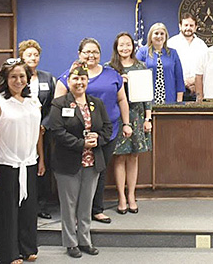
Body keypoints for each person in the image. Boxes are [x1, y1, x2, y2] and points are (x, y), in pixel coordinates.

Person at [55, 38, 132, 224]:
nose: (91, 55)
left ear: (100, 54)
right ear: (79, 54)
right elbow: (58, 104)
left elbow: (122, 100)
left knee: (99, 170)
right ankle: (76, 212)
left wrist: (127, 123)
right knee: (77, 172)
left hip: (107, 132)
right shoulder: (69, 76)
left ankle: (96, 209)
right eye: (87, 52)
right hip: (76, 135)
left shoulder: (112, 74)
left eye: (95, 52)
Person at [45, 63, 113, 258]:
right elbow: (57, 131)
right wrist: (82, 144)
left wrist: (97, 140)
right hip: (68, 162)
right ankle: (70, 242)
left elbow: (107, 128)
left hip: (92, 162)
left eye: (83, 78)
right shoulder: (60, 104)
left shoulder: (96, 103)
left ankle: (85, 240)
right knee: (69, 205)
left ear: (87, 81)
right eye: (75, 78)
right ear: (68, 81)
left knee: (86, 204)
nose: (79, 82)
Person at [0, 61, 44, 263]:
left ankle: (28, 247)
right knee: (8, 211)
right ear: (5, 79)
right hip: (6, 164)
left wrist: (41, 159)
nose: (18, 80)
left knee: (29, 208)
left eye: (22, 76)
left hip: (29, 162)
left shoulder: (33, 101)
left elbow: (39, 132)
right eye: (13, 77)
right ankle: (8, 252)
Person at [108, 32, 152, 214]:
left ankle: (132, 195)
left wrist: (148, 119)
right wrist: (120, 81)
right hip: (117, 117)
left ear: (133, 47)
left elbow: (147, 98)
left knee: (133, 156)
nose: (125, 48)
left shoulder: (140, 66)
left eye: (128, 44)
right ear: (116, 47)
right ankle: (121, 197)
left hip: (137, 116)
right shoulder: (109, 68)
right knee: (119, 156)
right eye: (121, 45)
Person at [18, 39, 59, 220]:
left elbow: (53, 104)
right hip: (22, 129)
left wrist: (44, 124)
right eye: (29, 55)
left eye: (36, 55)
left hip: (44, 130)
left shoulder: (47, 78)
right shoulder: (17, 76)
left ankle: (42, 204)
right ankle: (24, 203)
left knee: (44, 165)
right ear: (22, 57)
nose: (32, 58)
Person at [138, 22, 186, 103]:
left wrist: (179, 101)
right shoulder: (142, 52)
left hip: (170, 99)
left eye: (162, 34)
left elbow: (179, 78)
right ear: (150, 36)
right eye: (156, 33)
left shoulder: (173, 53)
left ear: (166, 36)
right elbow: (136, 76)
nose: (159, 36)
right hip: (148, 101)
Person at [166, 13, 208, 101]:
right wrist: (184, 82)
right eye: (185, 25)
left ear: (195, 27)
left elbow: (206, 67)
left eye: (191, 25)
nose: (188, 28)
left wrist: (195, 81)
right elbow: (168, 67)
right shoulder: (171, 43)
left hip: (196, 90)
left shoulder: (202, 45)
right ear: (180, 26)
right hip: (176, 89)